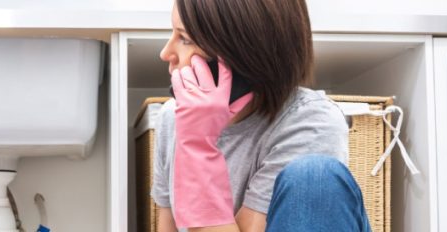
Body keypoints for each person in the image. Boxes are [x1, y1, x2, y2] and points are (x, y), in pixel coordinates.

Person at [150, 0, 371, 231]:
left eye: (185, 38)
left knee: (314, 176)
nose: (165, 53)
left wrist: (197, 148)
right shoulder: (173, 117)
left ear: (241, 57)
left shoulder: (311, 123)